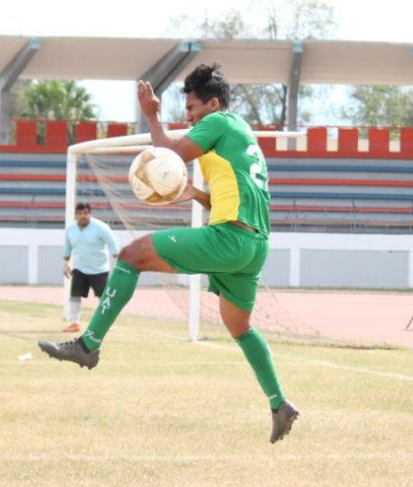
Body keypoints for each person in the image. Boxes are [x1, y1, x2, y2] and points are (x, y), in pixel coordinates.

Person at [38, 64, 299, 443]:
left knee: (131, 255)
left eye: (191, 107)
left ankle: (87, 345)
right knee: (240, 328)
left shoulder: (218, 122)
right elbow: (234, 199)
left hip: (230, 239)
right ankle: (279, 404)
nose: (188, 117)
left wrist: (152, 116)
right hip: (254, 245)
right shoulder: (241, 133)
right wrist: (197, 194)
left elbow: (168, 154)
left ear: (213, 103)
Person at [62, 202, 119, 333]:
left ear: (90, 214)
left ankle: (105, 324)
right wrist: (66, 263)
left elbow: (113, 243)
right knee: (75, 295)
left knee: (103, 298)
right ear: (76, 215)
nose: (83, 216)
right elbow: (67, 247)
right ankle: (75, 323)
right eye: (80, 213)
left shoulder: (101, 227)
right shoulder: (71, 229)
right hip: (79, 268)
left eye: (86, 213)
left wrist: (118, 260)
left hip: (100, 269)